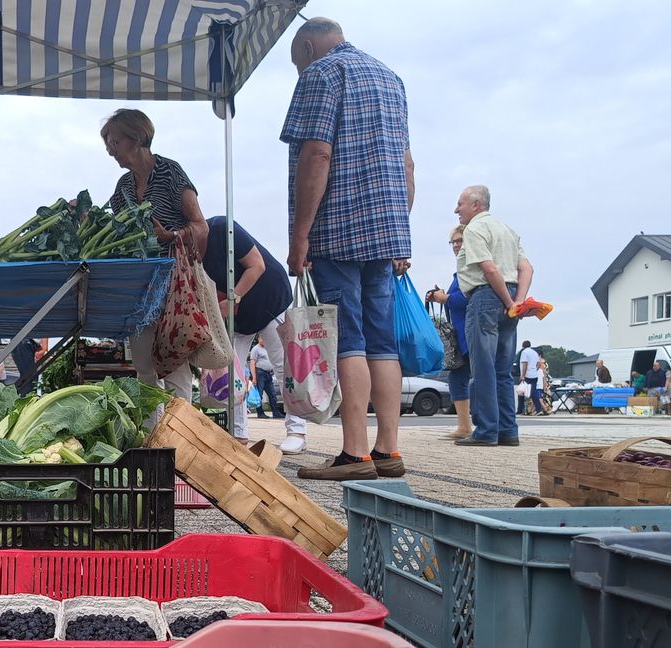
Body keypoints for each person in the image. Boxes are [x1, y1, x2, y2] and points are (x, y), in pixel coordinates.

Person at [282, 18, 415, 480]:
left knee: (349, 338)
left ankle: (354, 453)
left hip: (337, 225)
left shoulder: (321, 74)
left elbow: (316, 154)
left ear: (306, 46)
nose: (297, 69)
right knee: (382, 342)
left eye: (296, 60)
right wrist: (402, 230)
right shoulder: (390, 78)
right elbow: (406, 164)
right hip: (386, 231)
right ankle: (388, 450)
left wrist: (300, 236)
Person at [101, 108, 208, 402]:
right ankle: (152, 442)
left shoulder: (170, 172)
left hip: (173, 287)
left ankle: (179, 439)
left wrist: (171, 236)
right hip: (139, 290)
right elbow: (115, 235)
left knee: (174, 367)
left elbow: (201, 226)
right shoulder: (122, 187)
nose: (110, 151)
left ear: (136, 138)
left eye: (115, 142)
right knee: (143, 367)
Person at [452, 184, 533, 447]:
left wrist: (508, 301)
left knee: (483, 367)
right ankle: (508, 430)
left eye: (460, 204)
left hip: (486, 297)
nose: (457, 210)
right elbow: (526, 267)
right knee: (502, 370)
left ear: (475, 205)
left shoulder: (475, 229)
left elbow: (489, 269)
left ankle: (486, 430)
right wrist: (518, 302)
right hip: (509, 298)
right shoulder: (507, 230)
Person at [199, 217, 293, 443]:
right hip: (237, 318)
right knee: (233, 371)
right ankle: (238, 432)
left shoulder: (222, 229)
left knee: (283, 367)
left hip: (269, 301)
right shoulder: (186, 254)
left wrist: (233, 300)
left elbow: (257, 264)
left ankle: (296, 430)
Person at [426, 226, 471, 438]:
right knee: (457, 378)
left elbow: (469, 299)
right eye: (453, 242)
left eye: (460, 240)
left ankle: (473, 425)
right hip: (462, 336)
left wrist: (445, 299)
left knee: (473, 378)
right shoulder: (460, 272)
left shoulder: (470, 269)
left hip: (469, 334)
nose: (456, 245)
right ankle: (464, 426)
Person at [249, 336, 279, 419]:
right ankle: (260, 412)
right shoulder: (256, 349)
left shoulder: (268, 348)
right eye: (262, 338)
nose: (264, 340)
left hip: (268, 374)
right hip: (260, 373)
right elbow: (252, 363)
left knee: (272, 394)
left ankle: (276, 412)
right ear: (259, 339)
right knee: (260, 394)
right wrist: (254, 377)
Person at [517, 340, 540, 415]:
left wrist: (523, 375)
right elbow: (538, 364)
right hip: (534, 375)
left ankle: (520, 409)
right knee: (532, 393)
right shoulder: (535, 353)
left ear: (523, 346)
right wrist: (534, 370)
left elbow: (525, 364)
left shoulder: (524, 352)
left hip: (527, 375)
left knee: (521, 392)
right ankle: (538, 409)